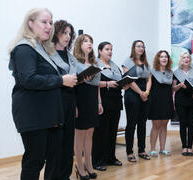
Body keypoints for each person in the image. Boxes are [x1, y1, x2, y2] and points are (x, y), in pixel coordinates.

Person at [8, 8, 77, 180]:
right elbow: (28, 79)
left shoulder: (42, 48)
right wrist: (61, 80)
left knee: (53, 158)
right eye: (44, 22)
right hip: (34, 114)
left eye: (51, 22)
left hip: (48, 114)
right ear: (30, 23)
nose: (49, 26)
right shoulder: (25, 48)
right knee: (35, 161)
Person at [73, 34, 103, 179]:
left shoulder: (95, 64)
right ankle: (79, 165)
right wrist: (74, 106)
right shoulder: (74, 63)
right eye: (85, 41)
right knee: (79, 134)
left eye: (91, 41)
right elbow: (71, 87)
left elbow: (96, 86)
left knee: (90, 132)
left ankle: (89, 164)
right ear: (79, 44)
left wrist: (99, 102)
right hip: (80, 99)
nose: (89, 43)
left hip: (92, 99)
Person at [51, 20, 77, 180]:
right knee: (55, 144)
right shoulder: (48, 55)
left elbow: (73, 83)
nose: (67, 36)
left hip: (69, 101)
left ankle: (65, 176)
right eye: (64, 33)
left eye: (69, 33)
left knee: (68, 144)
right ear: (56, 33)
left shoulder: (70, 57)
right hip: (55, 102)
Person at [92, 42, 123, 171]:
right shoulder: (95, 65)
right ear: (99, 51)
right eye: (107, 49)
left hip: (115, 101)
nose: (110, 51)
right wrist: (107, 84)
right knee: (100, 133)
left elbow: (119, 80)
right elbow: (92, 83)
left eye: (111, 49)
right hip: (103, 102)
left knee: (112, 131)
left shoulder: (114, 66)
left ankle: (111, 157)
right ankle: (98, 160)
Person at [122, 40, 151, 162]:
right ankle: (129, 152)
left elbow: (149, 79)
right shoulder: (127, 62)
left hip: (145, 93)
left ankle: (142, 150)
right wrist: (140, 93)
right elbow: (129, 80)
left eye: (142, 46)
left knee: (142, 123)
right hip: (132, 94)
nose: (141, 48)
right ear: (133, 48)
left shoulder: (145, 63)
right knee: (131, 124)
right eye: (138, 46)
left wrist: (146, 93)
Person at [173, 52, 193, 156]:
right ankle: (184, 147)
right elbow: (173, 88)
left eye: (188, 58)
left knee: (191, 123)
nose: (186, 59)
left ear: (190, 60)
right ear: (181, 60)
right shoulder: (176, 72)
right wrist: (180, 85)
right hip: (180, 101)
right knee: (183, 123)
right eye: (184, 57)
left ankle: (189, 146)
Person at [148, 50, 174, 157]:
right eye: (162, 57)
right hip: (155, 101)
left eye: (166, 57)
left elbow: (172, 88)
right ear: (158, 59)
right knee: (156, 125)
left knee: (164, 125)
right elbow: (148, 86)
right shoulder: (152, 71)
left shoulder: (171, 73)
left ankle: (162, 149)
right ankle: (153, 149)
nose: (164, 59)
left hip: (167, 101)